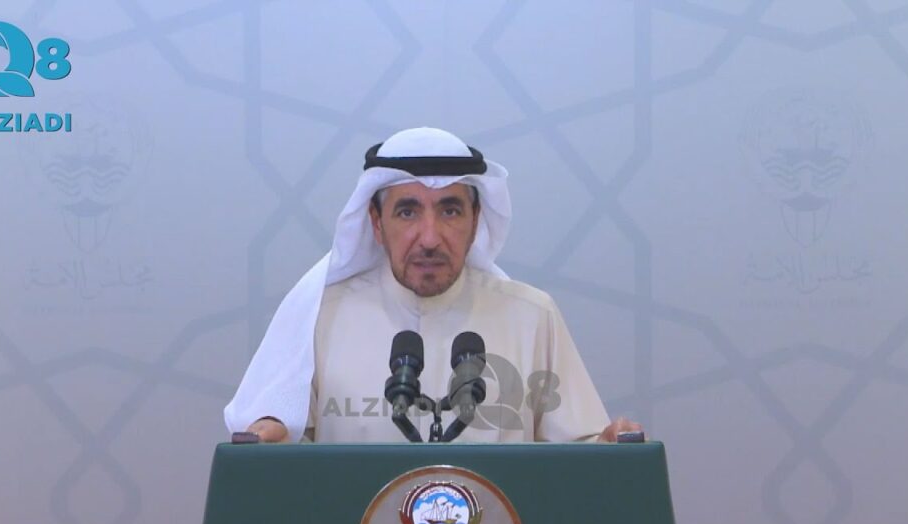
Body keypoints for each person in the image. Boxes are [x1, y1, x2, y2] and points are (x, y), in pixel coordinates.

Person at [225, 127, 641, 443]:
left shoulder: (531, 318)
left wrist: (605, 447)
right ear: (376, 222)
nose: (429, 238)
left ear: (475, 222)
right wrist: (271, 439)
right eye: (407, 212)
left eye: (450, 211)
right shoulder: (321, 318)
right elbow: (289, 452)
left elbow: (578, 452)